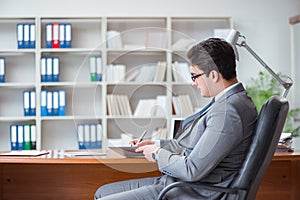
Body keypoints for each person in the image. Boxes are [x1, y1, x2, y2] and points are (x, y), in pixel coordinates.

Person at [94, 38, 258, 200]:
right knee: (101, 192)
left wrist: (158, 154)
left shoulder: (227, 111)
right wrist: (156, 145)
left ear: (214, 75)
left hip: (192, 192)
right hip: (180, 184)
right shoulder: (229, 101)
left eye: (194, 76)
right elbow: (192, 145)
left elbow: (192, 169)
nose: (193, 83)